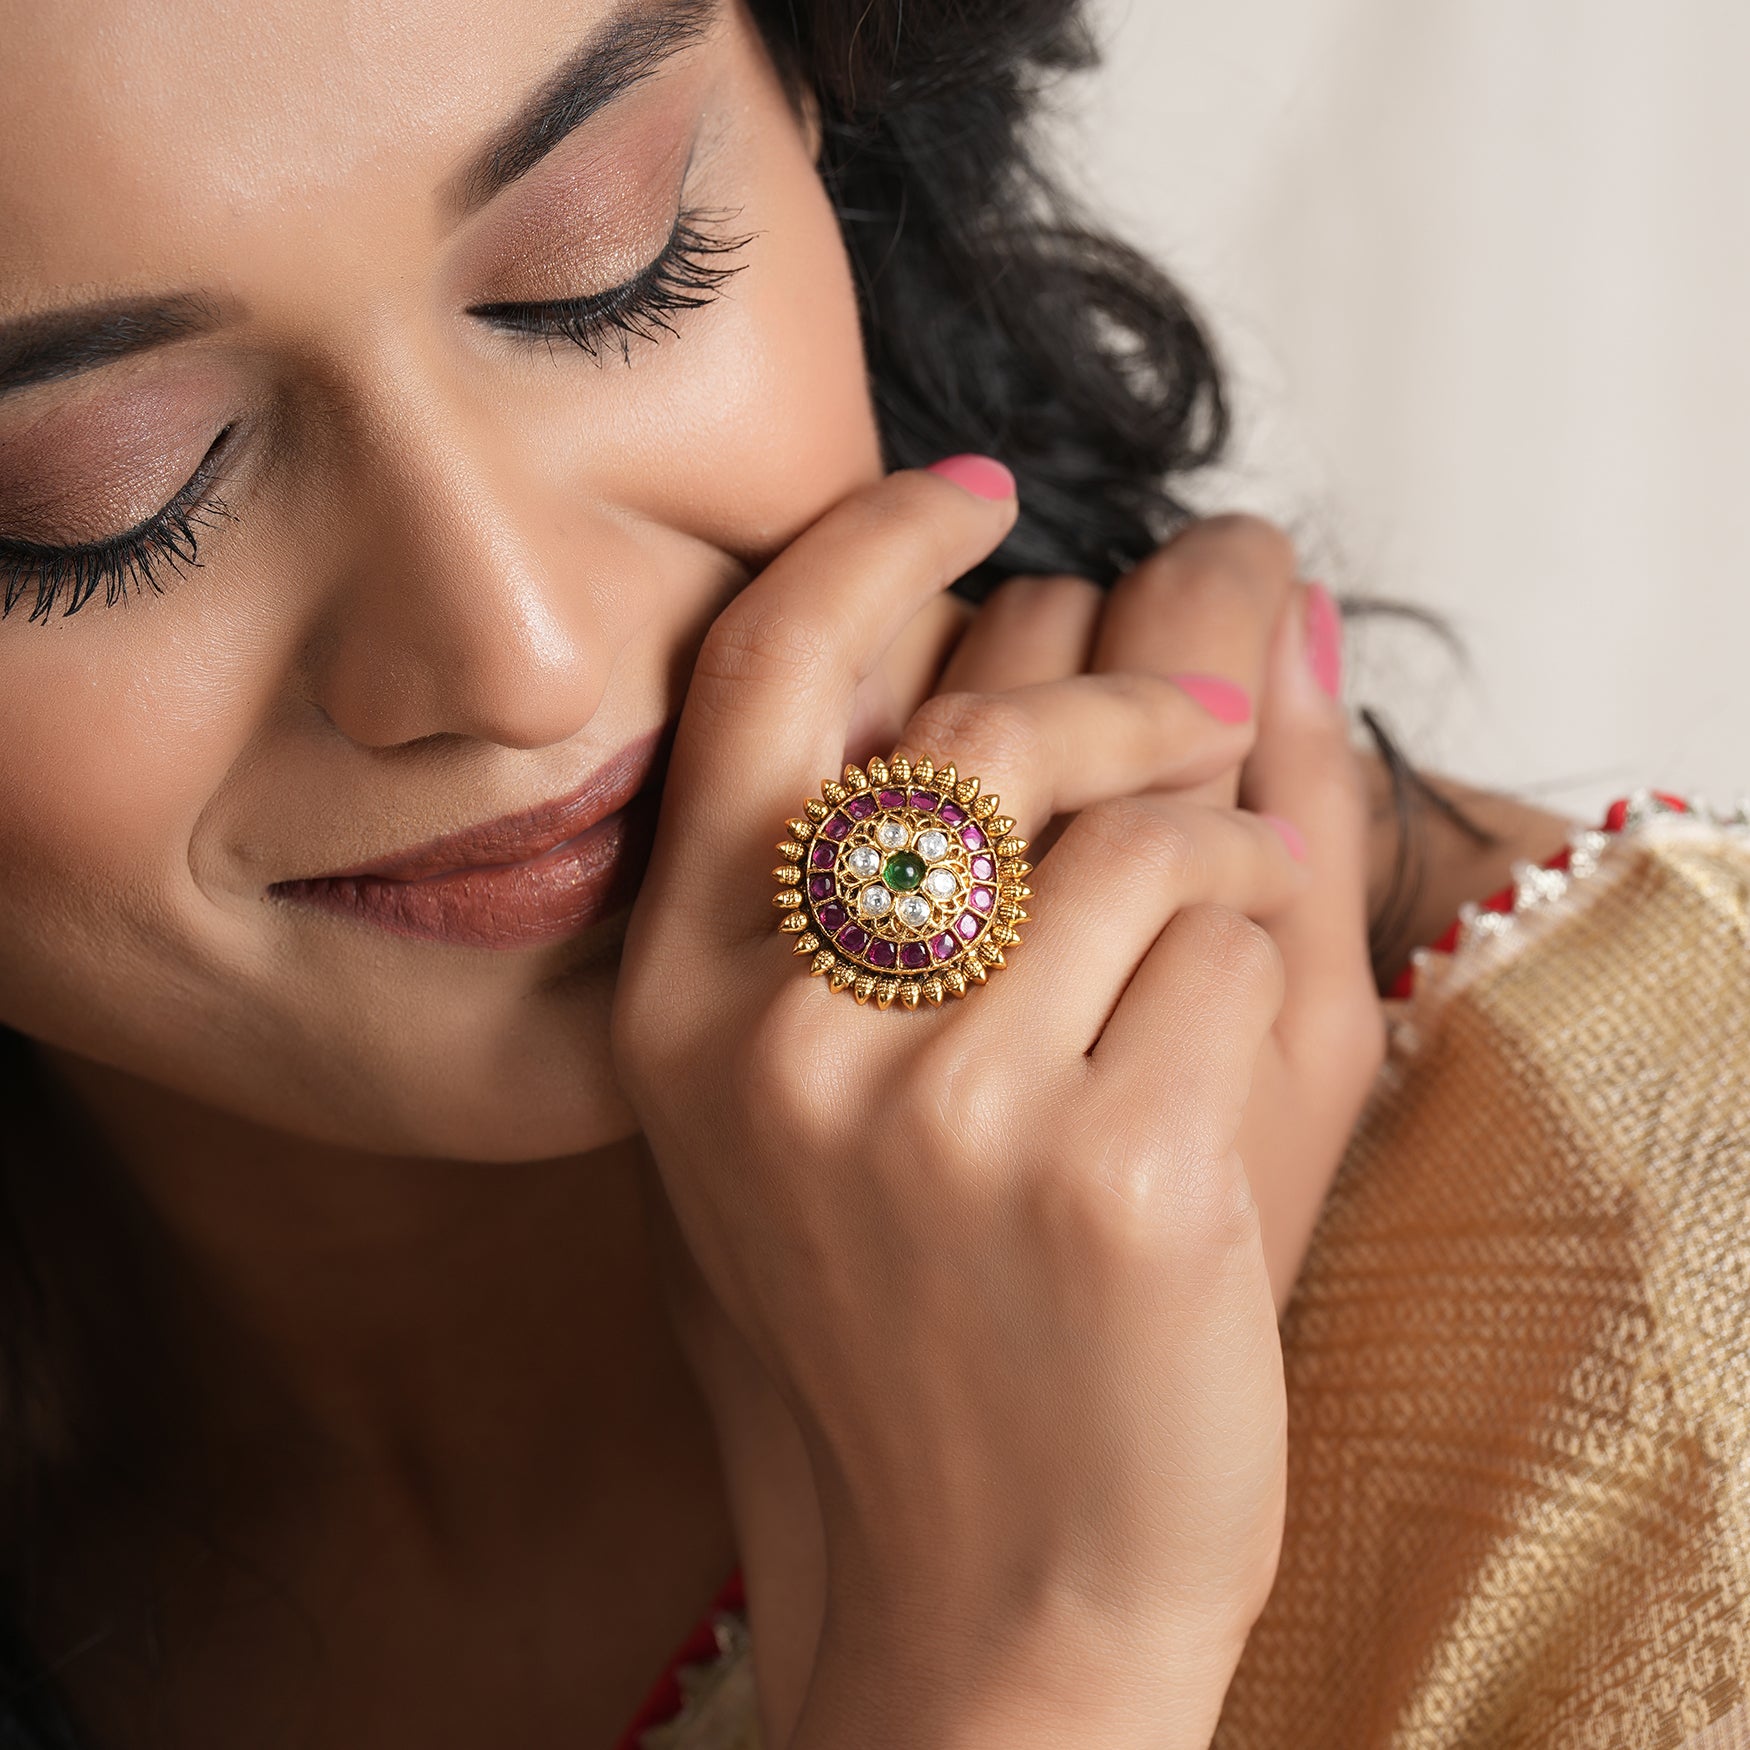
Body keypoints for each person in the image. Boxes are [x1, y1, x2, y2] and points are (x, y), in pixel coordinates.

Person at [2, 0, 1745, 1746]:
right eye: (102, 501)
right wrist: (1023, 1676)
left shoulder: (1669, 1323)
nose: (512, 653)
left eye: (604, 270)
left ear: (815, 100)